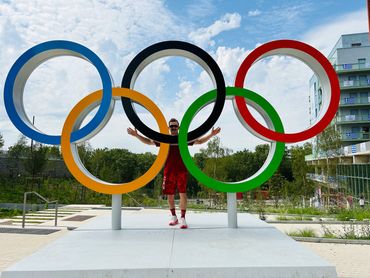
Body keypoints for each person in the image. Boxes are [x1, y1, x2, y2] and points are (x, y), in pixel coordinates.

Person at [127, 118, 220, 229]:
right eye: (172, 126)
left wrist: (211, 134)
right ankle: (174, 217)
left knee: (183, 194)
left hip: (182, 170)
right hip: (169, 170)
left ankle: (183, 218)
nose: (174, 128)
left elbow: (199, 141)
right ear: (169, 127)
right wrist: (137, 135)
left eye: (175, 126)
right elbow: (149, 142)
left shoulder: (183, 138)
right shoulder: (165, 139)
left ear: (179, 127)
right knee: (170, 196)